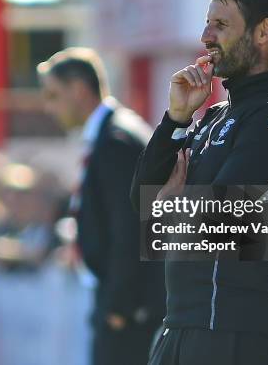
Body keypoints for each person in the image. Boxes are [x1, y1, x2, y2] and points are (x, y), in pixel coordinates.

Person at [131, 0, 268, 364]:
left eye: (220, 24)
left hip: (233, 330)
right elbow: (141, 208)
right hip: (181, 323)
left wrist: (168, 209)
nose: (206, 37)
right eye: (207, 23)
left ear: (263, 32)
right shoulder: (211, 115)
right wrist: (176, 119)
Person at [38, 47, 166, 365]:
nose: (48, 106)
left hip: (130, 307)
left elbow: (133, 226)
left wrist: (118, 307)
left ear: (79, 89)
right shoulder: (109, 133)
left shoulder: (116, 139)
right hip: (123, 300)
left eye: (54, 95)